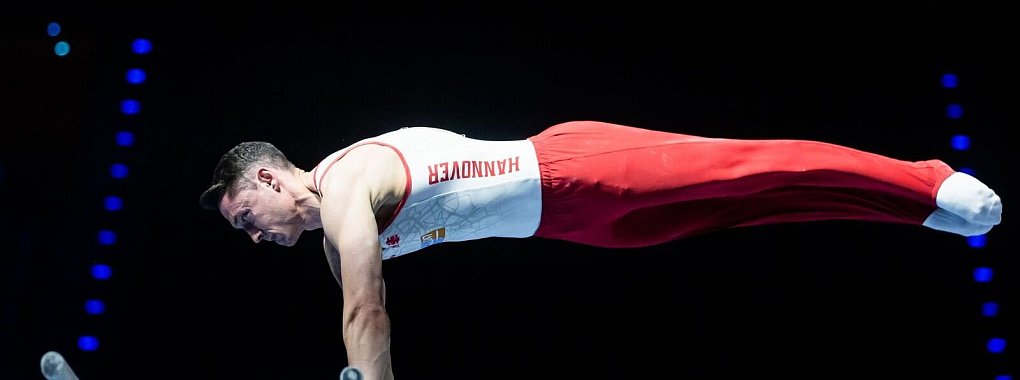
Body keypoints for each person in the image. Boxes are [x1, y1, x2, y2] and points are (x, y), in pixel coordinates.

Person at [199, 120, 1003, 380]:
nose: (253, 236)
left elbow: (366, 311)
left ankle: (922, 181)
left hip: (575, 168)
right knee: (746, 214)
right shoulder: (335, 245)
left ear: (270, 177)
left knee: (747, 165)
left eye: (245, 217)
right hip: (572, 225)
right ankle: (908, 217)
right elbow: (354, 329)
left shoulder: (345, 190)